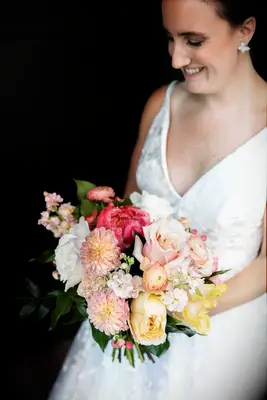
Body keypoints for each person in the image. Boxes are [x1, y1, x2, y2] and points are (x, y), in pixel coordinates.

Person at [48, 1, 266, 399]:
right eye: (170, 38)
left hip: (222, 342)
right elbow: (125, 217)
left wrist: (177, 307)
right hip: (126, 332)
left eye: (193, 40)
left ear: (245, 30)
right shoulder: (160, 105)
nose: (176, 58)